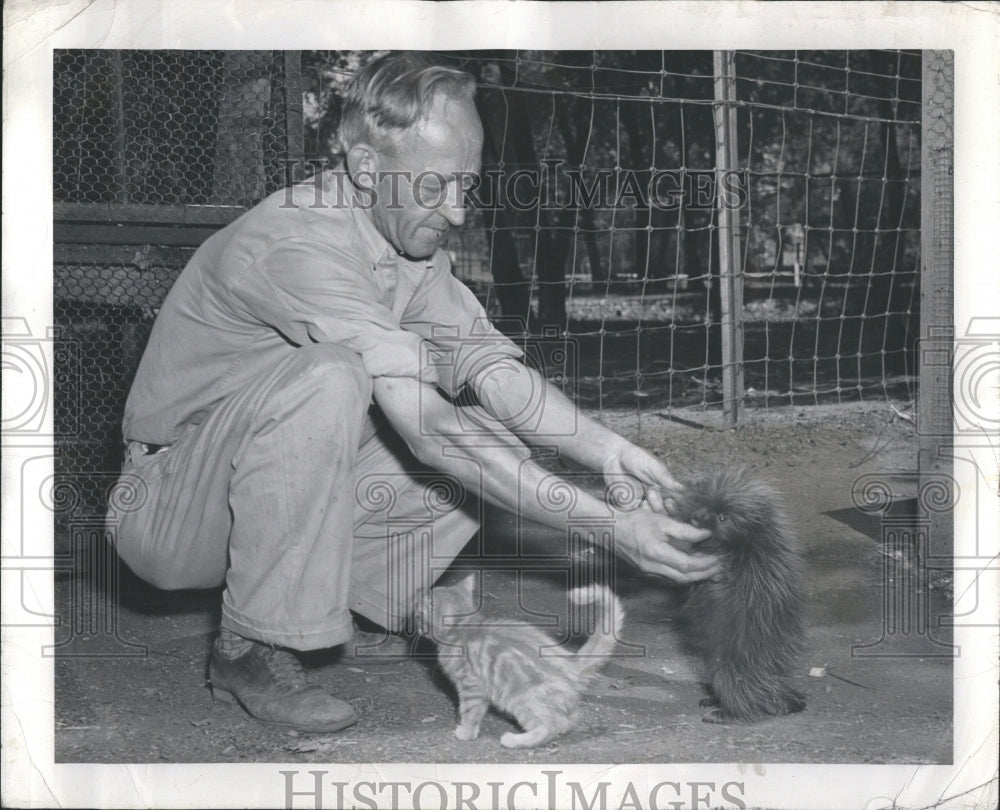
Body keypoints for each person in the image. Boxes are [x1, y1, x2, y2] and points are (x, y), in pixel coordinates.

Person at [109, 52, 721, 734]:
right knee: (335, 378)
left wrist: (608, 449)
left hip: (257, 488)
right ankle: (249, 646)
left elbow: (496, 372)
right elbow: (427, 427)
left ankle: (349, 609)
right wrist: (610, 527)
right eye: (436, 187)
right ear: (367, 169)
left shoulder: (406, 246)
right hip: (173, 510)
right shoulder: (296, 240)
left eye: (466, 184)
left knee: (491, 435)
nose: (457, 213)